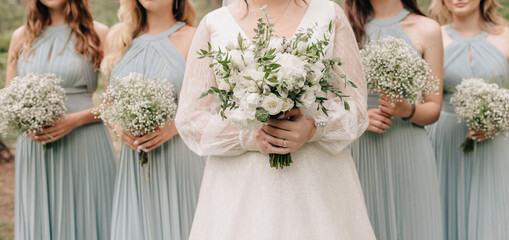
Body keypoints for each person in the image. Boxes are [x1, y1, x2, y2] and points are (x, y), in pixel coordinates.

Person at [175, 0, 376, 239]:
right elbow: (190, 119)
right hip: (240, 191)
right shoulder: (214, 24)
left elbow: (356, 108)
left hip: (318, 187)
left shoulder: (329, 15)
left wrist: (314, 129)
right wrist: (248, 135)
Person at [6, 0, 116, 239]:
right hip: (35, 148)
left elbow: (114, 101)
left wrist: (74, 120)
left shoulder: (98, 32)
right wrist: (27, 120)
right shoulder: (21, 36)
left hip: (85, 143)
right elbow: (10, 97)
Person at [428, 0, 509, 239]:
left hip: (493, 144)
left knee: (492, 219)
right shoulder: (434, 36)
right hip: (444, 142)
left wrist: (498, 120)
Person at [100, 0, 205, 239]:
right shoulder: (119, 39)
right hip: (133, 164)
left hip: (180, 159)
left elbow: (211, 103)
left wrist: (175, 126)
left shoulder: (195, 37)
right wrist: (120, 127)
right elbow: (108, 102)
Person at [345, 0, 444, 239]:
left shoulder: (427, 29)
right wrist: (360, 118)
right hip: (359, 148)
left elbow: (433, 107)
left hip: (408, 145)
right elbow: (330, 97)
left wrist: (407, 109)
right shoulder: (345, 26)